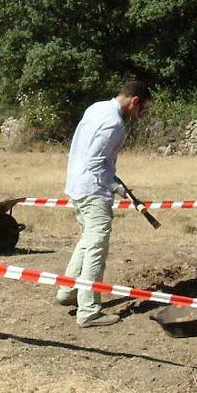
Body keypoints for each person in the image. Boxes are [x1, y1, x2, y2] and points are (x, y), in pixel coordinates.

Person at [55, 81, 153, 328]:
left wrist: (116, 184)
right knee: (97, 247)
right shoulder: (115, 125)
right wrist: (116, 187)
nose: (139, 115)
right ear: (134, 101)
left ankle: (67, 291)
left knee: (88, 240)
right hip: (93, 190)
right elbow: (96, 165)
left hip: (78, 186)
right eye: (142, 109)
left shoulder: (96, 108)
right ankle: (88, 310)